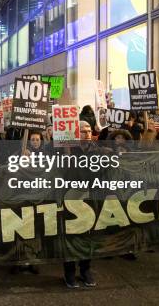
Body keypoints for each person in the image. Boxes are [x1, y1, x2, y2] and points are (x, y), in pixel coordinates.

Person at [63, 121, 96, 288]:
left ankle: (85, 269)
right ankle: (69, 271)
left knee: (88, 235)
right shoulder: (66, 148)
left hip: (89, 198)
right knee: (71, 235)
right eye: (83, 131)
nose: (87, 133)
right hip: (70, 197)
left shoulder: (97, 150)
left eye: (89, 130)